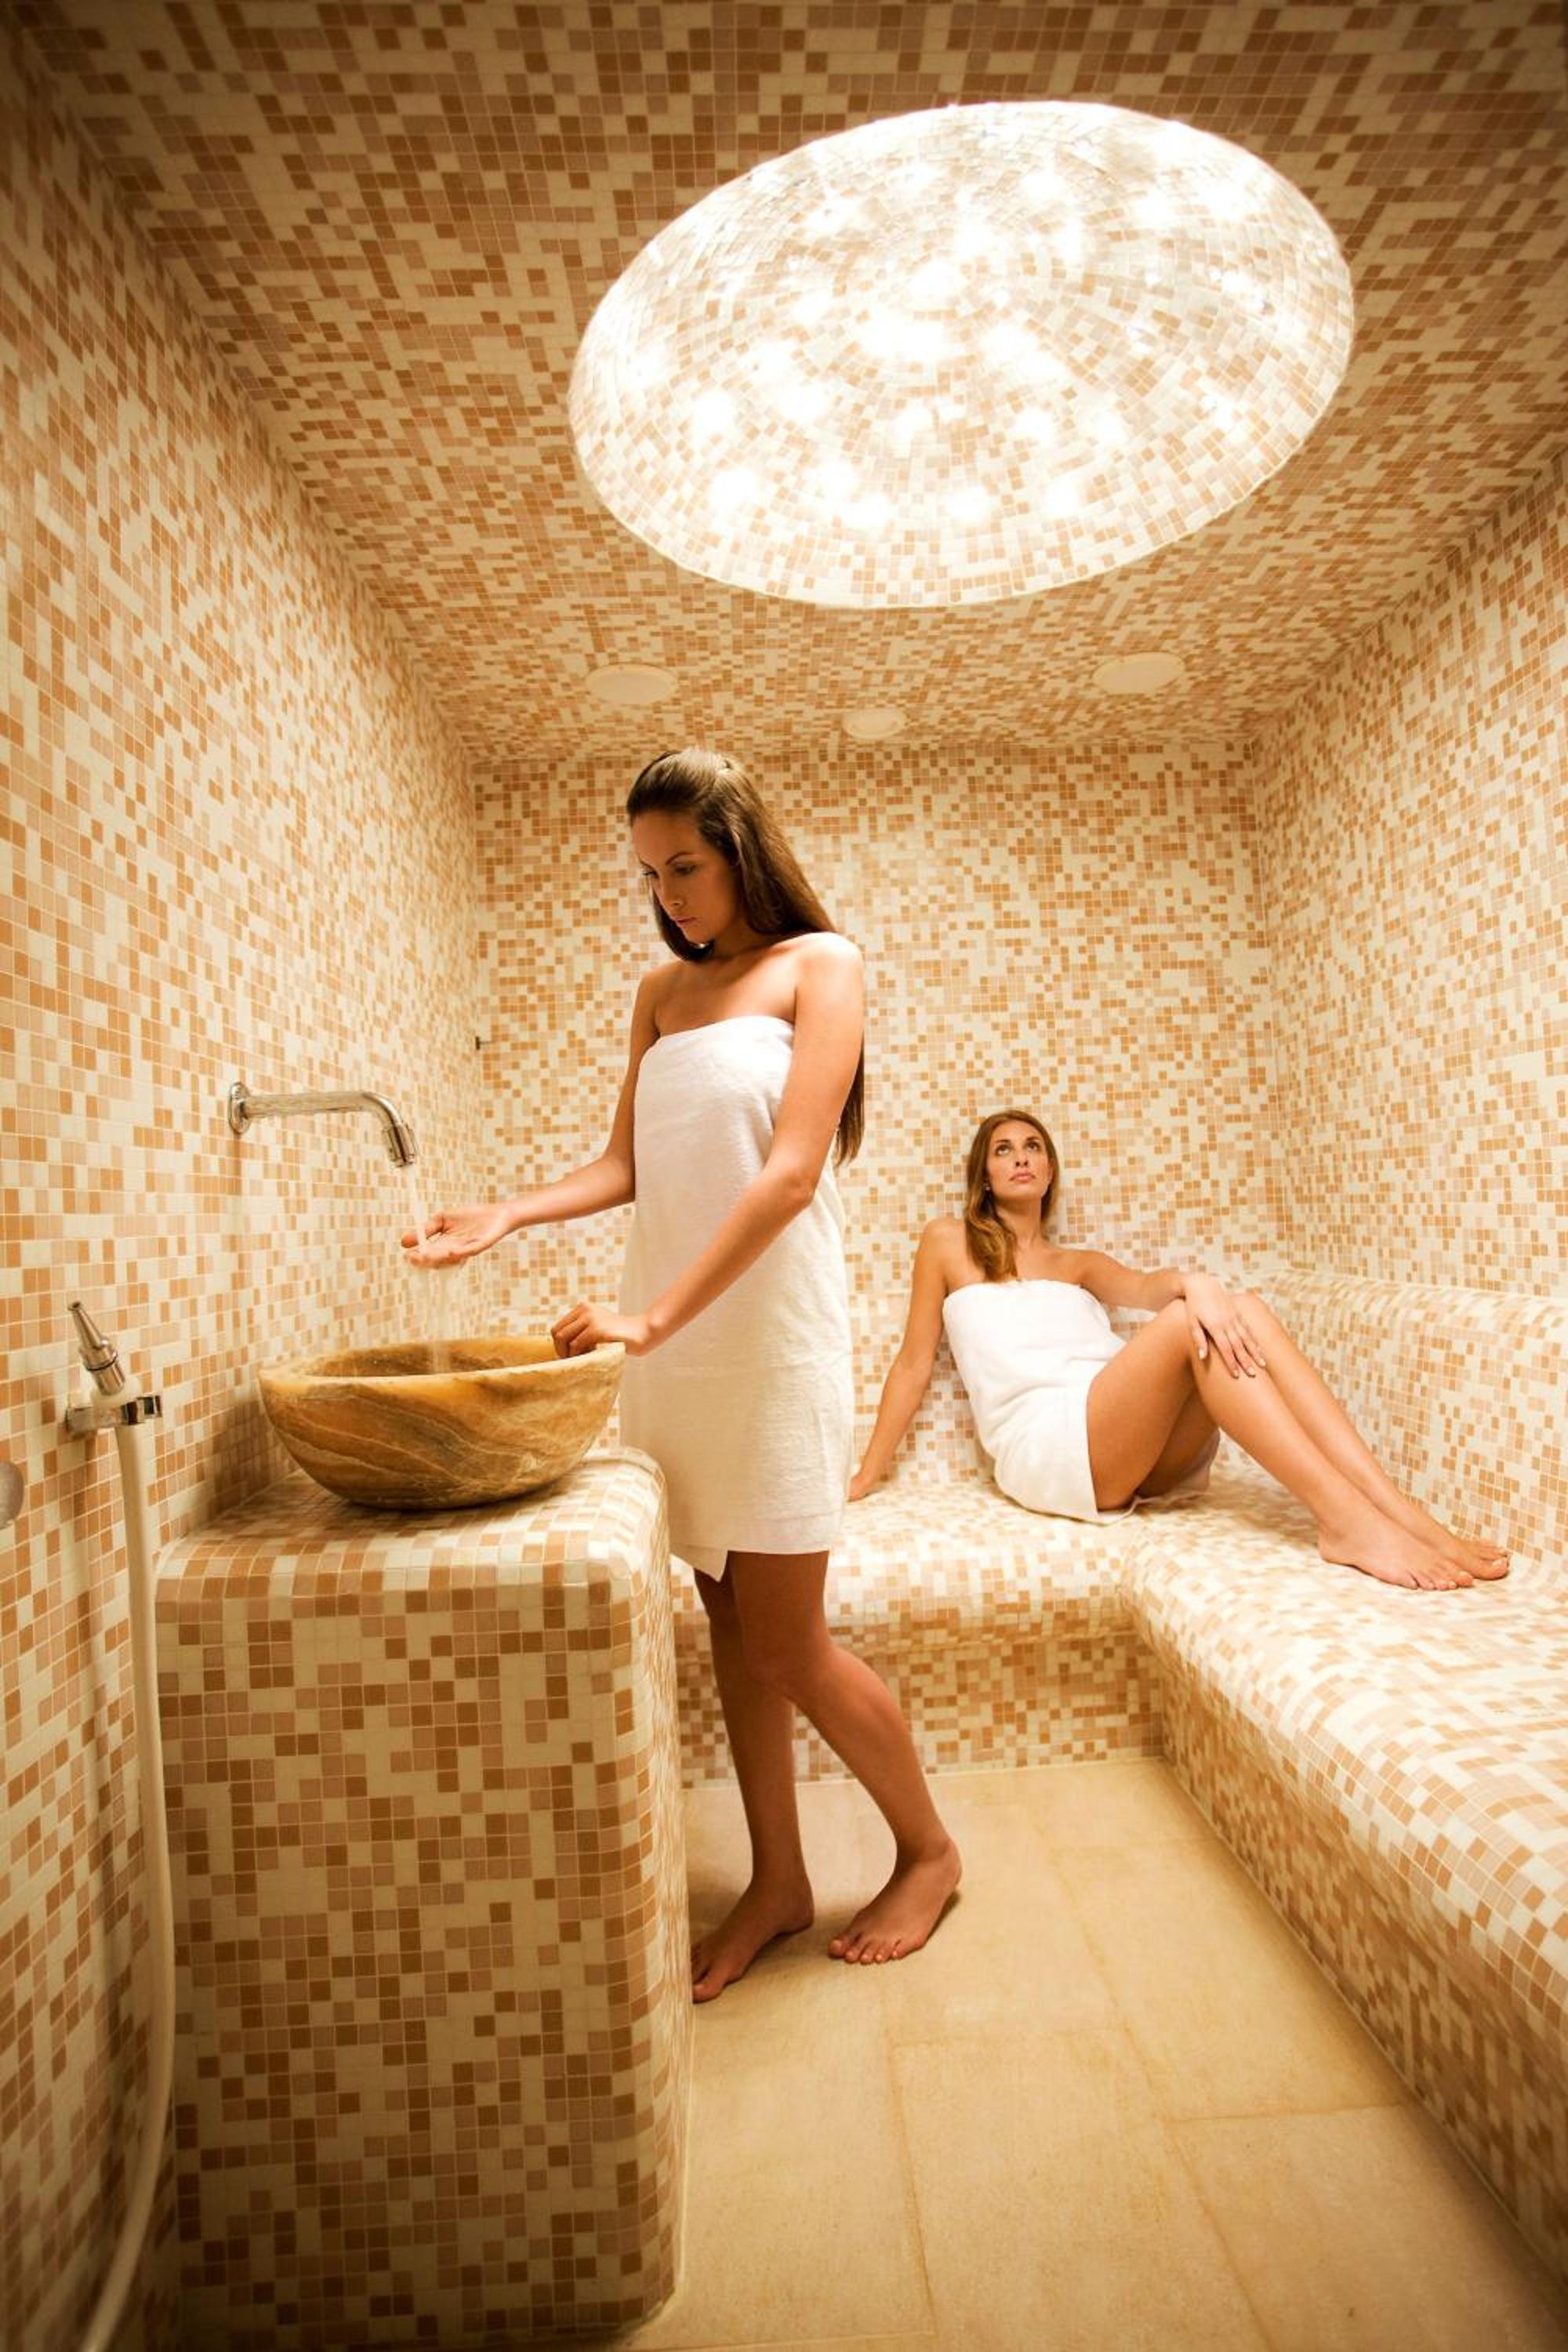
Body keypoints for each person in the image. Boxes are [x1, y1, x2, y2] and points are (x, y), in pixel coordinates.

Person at [404, 748, 960, 1996]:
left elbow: (792, 1173)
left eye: (688, 867)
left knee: (792, 1644)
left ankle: (929, 1851)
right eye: (652, 874)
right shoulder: (660, 992)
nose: (670, 895)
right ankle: (780, 1880)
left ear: (742, 849)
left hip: (766, 1343)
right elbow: (628, 1165)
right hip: (677, 1348)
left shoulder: (823, 966)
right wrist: (506, 1212)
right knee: (727, 1622)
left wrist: (649, 1317)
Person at [851, 1109, 1509, 1593]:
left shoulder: (1079, 1264)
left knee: (1246, 1309)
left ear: (1049, 1172)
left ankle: (1396, 1511)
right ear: (986, 1175)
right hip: (1048, 1446)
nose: (1020, 1157)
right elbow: (913, 1365)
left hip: (1134, 1451)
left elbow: (1147, 1287)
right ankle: (1345, 1520)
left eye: (1033, 1147)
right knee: (1184, 1323)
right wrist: (868, 1475)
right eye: (1003, 1150)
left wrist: (1197, 1283)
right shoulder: (947, 1243)